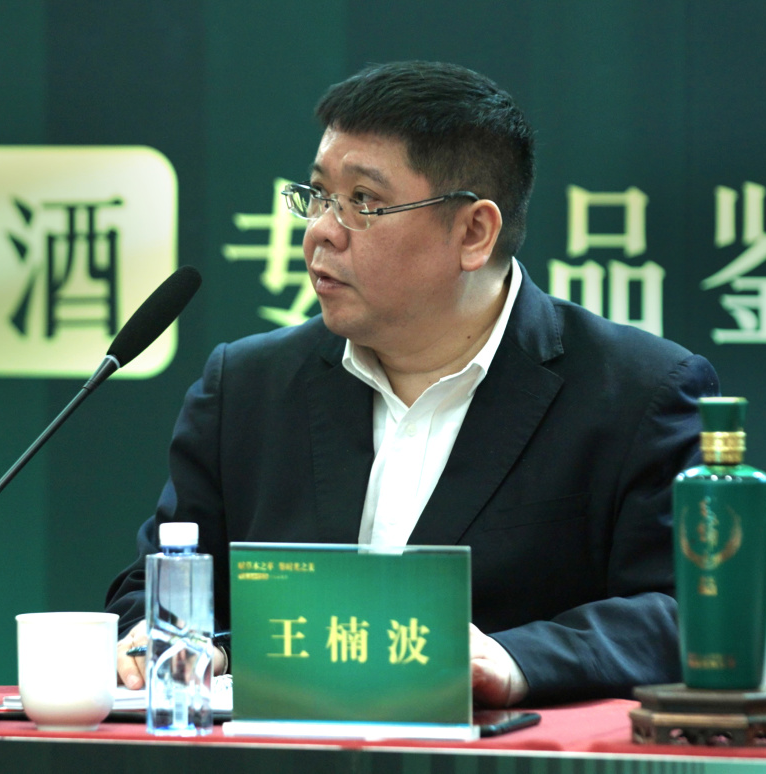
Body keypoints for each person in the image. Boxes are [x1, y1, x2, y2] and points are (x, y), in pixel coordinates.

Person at [105, 60, 719, 707]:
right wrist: (178, 641)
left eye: (364, 203)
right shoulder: (247, 389)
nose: (320, 231)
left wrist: (518, 658)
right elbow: (150, 591)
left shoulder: (637, 393)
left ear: (474, 232)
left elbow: (687, 611)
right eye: (319, 196)